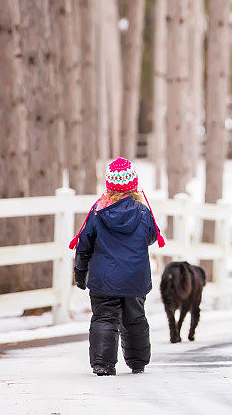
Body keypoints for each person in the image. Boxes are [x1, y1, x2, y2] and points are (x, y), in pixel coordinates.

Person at [69, 157, 165, 376]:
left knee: (104, 317)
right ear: (133, 185)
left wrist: (80, 272)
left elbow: (84, 244)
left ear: (109, 185)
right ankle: (138, 362)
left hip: (104, 278)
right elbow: (151, 237)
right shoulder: (142, 212)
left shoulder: (98, 212)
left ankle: (103, 364)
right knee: (135, 318)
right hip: (134, 277)